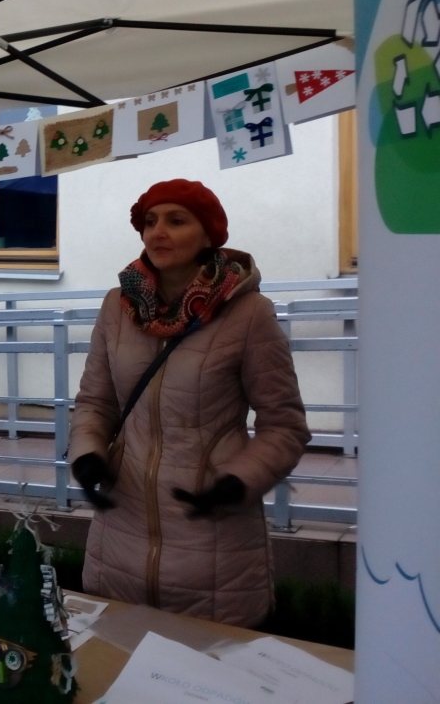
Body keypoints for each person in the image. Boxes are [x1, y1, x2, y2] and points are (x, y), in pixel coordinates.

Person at [68, 179, 309, 628]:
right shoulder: (117, 307)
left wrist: (238, 481)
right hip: (120, 536)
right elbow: (95, 403)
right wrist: (87, 454)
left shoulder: (249, 314)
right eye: (150, 221)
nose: (157, 232)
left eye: (176, 221)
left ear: (208, 235)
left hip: (214, 540)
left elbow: (284, 426)